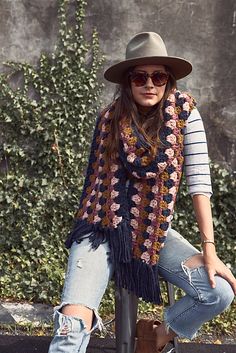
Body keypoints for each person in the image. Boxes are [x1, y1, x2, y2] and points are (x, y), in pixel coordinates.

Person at [48, 32, 235, 353]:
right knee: (70, 328)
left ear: (168, 81)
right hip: (100, 229)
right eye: (140, 77)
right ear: (127, 82)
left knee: (219, 293)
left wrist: (210, 249)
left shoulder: (186, 117)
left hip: (152, 233)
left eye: (159, 76)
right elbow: (96, 186)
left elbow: (200, 183)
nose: (150, 84)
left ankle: (157, 337)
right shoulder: (109, 119)